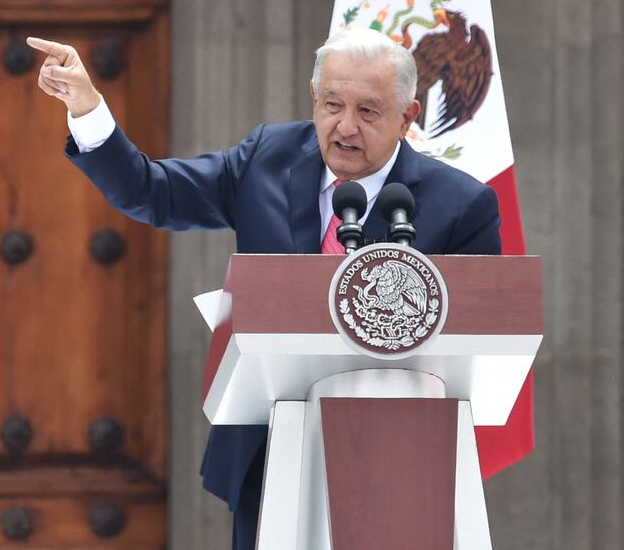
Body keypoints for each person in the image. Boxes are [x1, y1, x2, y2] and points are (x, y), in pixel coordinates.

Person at [26, 28, 500, 550]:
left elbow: (482, 341)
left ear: (408, 118)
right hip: (270, 446)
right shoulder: (266, 159)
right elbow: (151, 192)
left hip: (400, 459)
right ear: (313, 98)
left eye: (368, 112)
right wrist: (89, 111)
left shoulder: (461, 206)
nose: (344, 127)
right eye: (332, 105)